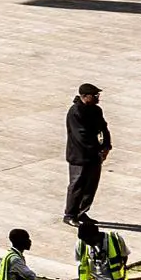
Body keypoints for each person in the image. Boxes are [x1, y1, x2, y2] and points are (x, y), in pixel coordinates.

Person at [61, 82, 110, 225]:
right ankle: (70, 215)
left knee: (91, 186)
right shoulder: (75, 112)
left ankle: (82, 212)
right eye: (94, 95)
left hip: (94, 155)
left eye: (97, 95)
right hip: (79, 156)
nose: (97, 98)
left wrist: (106, 146)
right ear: (84, 96)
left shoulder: (96, 110)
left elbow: (103, 127)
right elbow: (81, 136)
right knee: (77, 186)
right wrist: (97, 150)